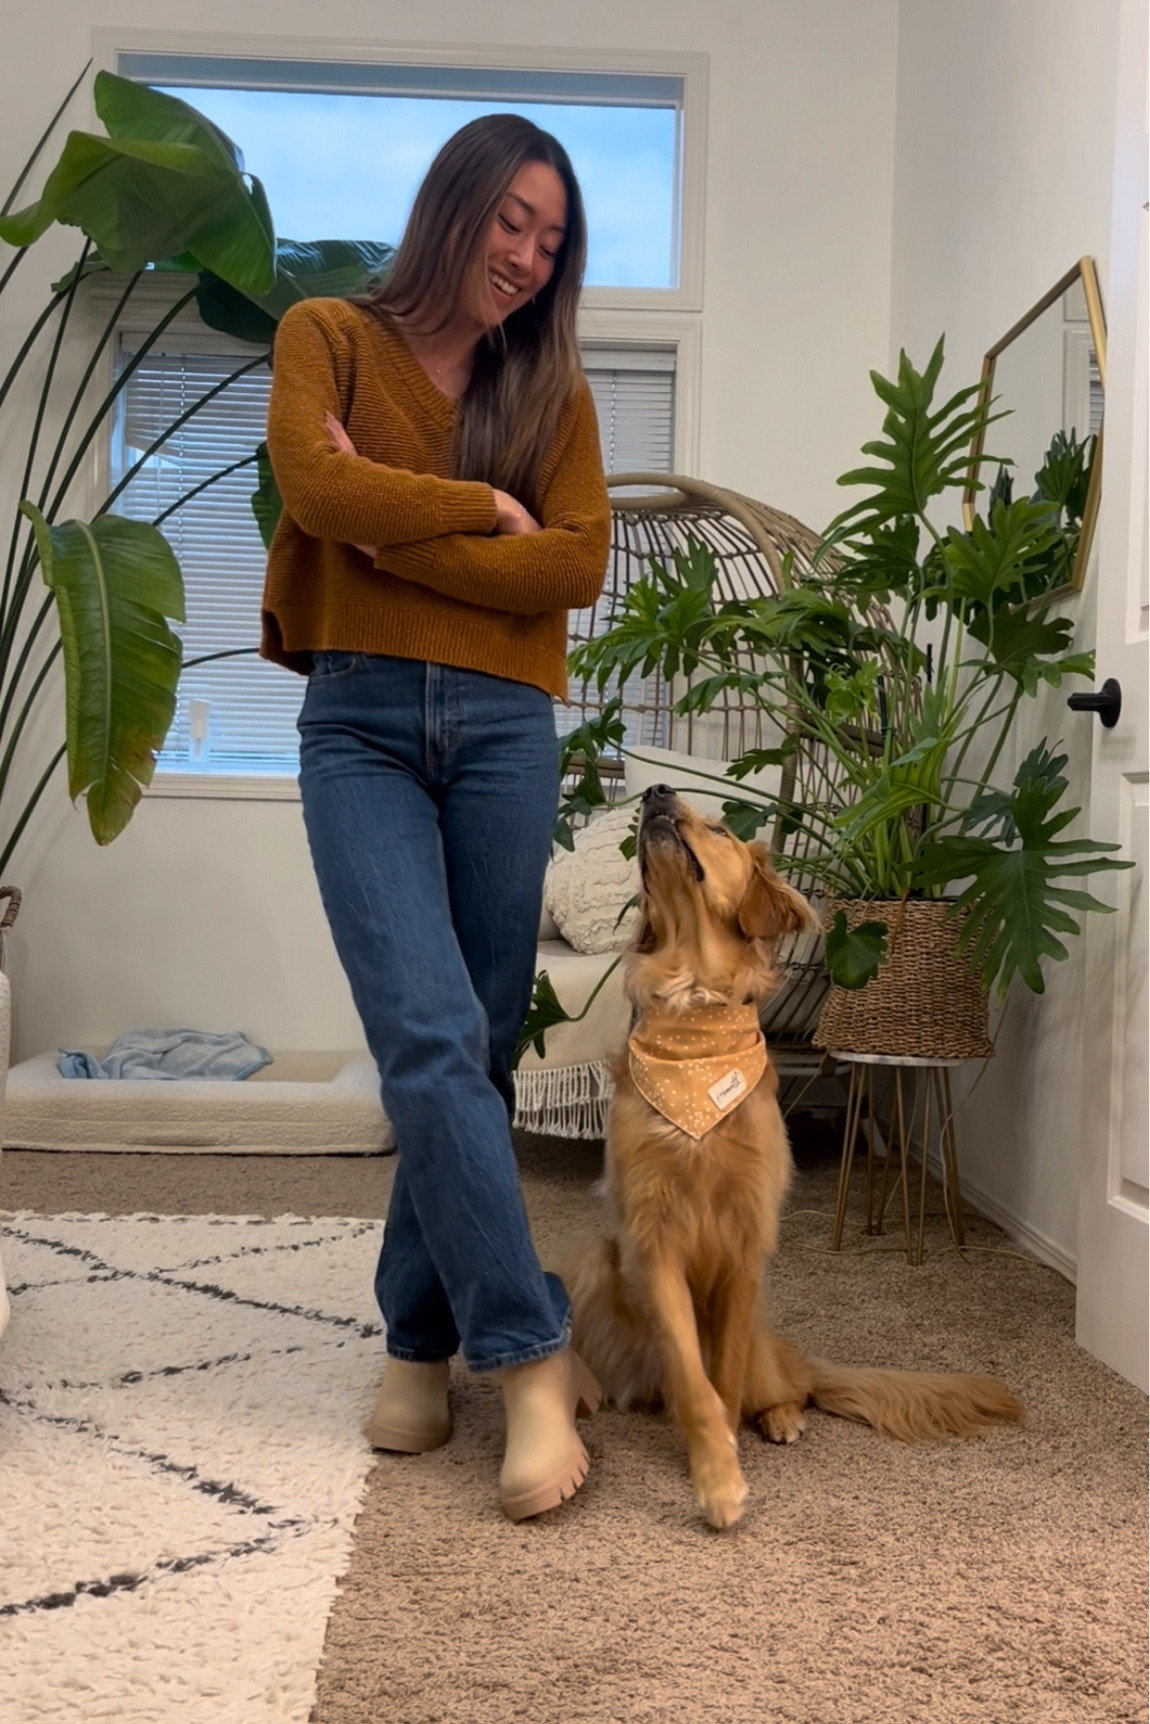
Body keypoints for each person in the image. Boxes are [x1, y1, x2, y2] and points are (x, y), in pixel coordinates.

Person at [261, 113, 611, 1522]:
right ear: (454, 206)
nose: (526, 256)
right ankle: (528, 1354)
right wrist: (478, 506)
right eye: (509, 221)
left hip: (503, 732)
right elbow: (314, 487)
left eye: (551, 237)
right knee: (420, 1031)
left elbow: (571, 571)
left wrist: (387, 528)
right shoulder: (325, 335)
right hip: (355, 723)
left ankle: (416, 1345)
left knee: (470, 1041)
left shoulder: (554, 392)